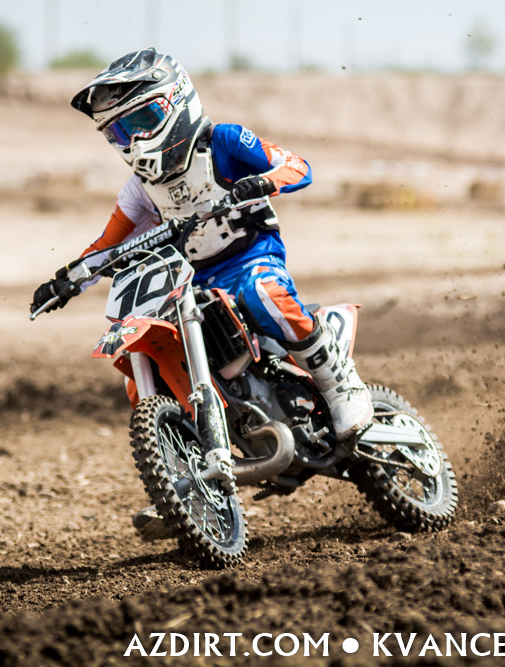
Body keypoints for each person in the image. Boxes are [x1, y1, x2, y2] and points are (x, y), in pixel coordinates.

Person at [30, 49, 373, 535]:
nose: (134, 141)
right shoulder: (141, 188)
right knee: (150, 363)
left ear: (175, 103)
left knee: (261, 294)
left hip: (251, 256)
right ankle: (184, 485)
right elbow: (108, 245)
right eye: (119, 133)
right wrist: (67, 280)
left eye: (141, 121)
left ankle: (340, 385)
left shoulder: (223, 142)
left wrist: (261, 182)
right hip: (194, 279)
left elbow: (298, 167)